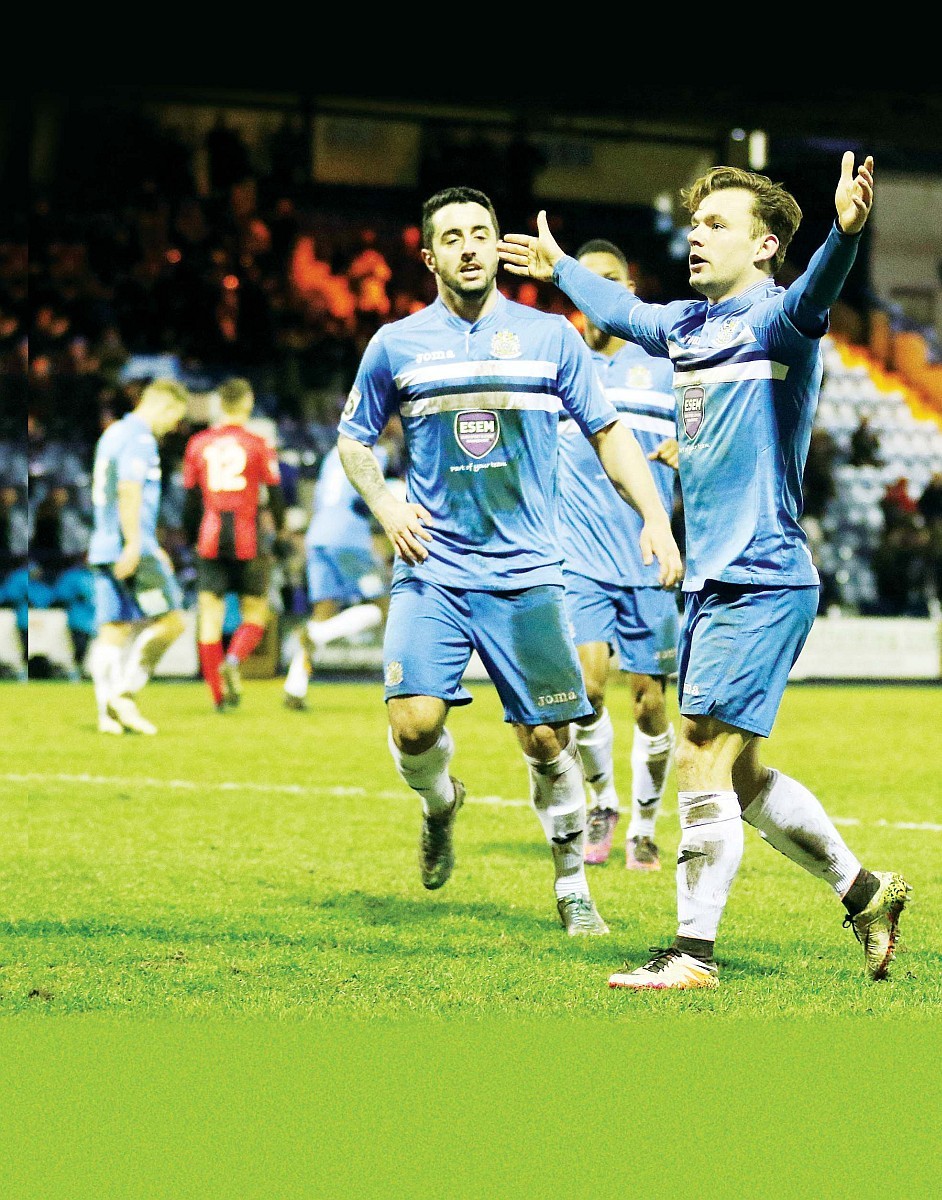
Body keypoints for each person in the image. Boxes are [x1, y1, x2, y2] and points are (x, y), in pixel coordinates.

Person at [498, 153, 911, 986]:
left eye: (717, 224)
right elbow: (623, 310)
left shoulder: (778, 322)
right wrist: (560, 268)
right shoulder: (688, 328)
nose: (697, 235)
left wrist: (845, 235)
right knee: (740, 774)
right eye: (694, 223)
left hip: (762, 574)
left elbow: (817, 292)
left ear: (764, 247)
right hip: (716, 582)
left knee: (695, 752)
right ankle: (864, 891)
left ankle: (693, 954)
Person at [336, 185, 683, 937]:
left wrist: (655, 517)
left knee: (548, 739)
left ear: (498, 247)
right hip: (433, 567)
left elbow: (608, 433)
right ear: (429, 257)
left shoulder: (549, 336)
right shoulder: (396, 343)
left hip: (527, 573)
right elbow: (353, 440)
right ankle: (441, 804)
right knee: (413, 726)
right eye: (451, 236)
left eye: (480, 233)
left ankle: (571, 887)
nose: (468, 247)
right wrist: (388, 506)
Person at [559, 239, 681, 870]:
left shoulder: (661, 366)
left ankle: (645, 826)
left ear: (629, 290)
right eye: (587, 280)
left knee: (651, 705)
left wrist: (691, 452)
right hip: (578, 560)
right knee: (585, 689)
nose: (598, 290)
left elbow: (711, 436)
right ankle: (603, 802)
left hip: (647, 559)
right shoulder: (561, 366)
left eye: (610, 279)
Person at [86, 379, 190, 734]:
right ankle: (125, 693)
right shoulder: (139, 438)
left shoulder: (113, 433)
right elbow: (128, 489)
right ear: (165, 406)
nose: (173, 426)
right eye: (175, 417)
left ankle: (107, 716)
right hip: (129, 546)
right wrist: (135, 543)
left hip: (103, 544)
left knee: (113, 630)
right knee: (172, 622)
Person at [181, 377, 285, 711]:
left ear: (219, 404)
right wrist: (280, 531)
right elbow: (276, 495)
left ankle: (217, 697)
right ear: (248, 403)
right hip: (248, 539)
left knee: (210, 619)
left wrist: (190, 539)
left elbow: (189, 502)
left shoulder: (198, 443)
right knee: (256, 614)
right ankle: (234, 660)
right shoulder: (258, 443)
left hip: (210, 540)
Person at [281, 431, 395, 712]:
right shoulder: (376, 453)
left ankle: (295, 686)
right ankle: (320, 635)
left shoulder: (334, 453)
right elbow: (365, 499)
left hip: (319, 535)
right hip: (348, 539)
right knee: (383, 608)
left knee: (322, 612)